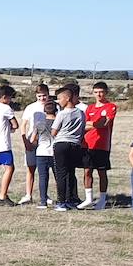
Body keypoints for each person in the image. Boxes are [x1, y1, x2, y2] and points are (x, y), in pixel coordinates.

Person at [77, 81, 118, 210]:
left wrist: (91, 123)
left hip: (102, 145)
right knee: (87, 171)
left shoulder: (111, 107)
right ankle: (88, 198)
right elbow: (83, 124)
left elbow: (104, 124)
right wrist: (93, 123)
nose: (99, 94)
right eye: (96, 92)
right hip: (87, 143)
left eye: (101, 92)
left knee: (102, 172)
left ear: (106, 92)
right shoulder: (90, 108)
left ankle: (102, 199)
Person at [49, 83, 86, 211]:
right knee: (71, 172)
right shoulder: (81, 113)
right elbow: (82, 129)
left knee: (61, 173)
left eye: (60, 99)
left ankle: (61, 202)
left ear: (67, 98)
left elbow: (53, 132)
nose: (59, 102)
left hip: (61, 144)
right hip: (75, 144)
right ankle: (71, 199)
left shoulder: (62, 114)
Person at [18, 84, 50, 204]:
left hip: (47, 141)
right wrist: (26, 141)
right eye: (39, 96)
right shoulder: (31, 107)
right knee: (31, 168)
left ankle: (45, 195)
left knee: (45, 169)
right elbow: (24, 125)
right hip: (32, 140)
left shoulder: (53, 106)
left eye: (44, 95)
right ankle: (28, 194)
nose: (42, 98)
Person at [33, 98, 57, 209]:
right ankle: (62, 198)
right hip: (55, 152)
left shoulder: (39, 123)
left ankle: (43, 201)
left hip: (41, 152)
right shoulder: (58, 122)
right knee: (58, 177)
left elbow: (34, 138)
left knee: (43, 177)